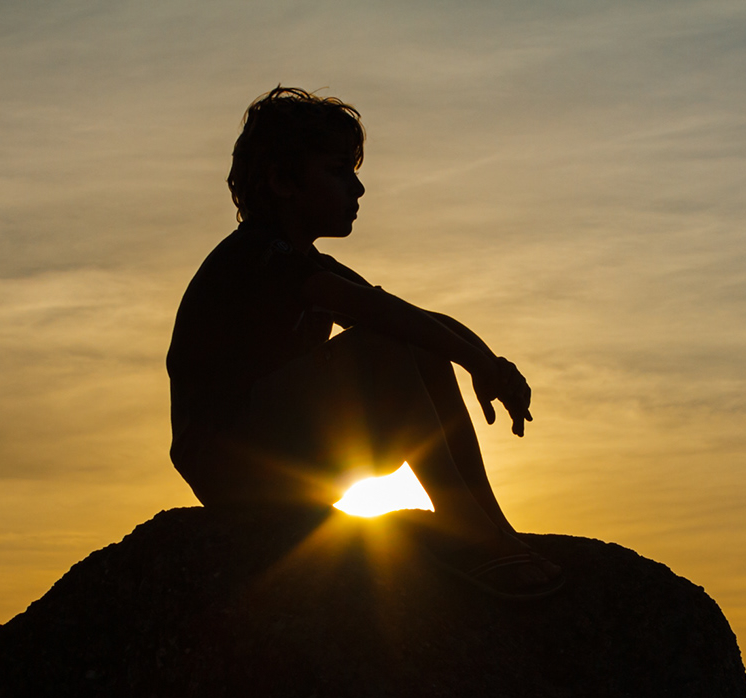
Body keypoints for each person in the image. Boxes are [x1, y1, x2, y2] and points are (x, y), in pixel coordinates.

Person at [166, 87, 563, 599]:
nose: (357, 189)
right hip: (233, 464)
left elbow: (415, 317)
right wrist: (478, 361)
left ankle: (487, 521)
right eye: (337, 172)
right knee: (386, 344)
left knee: (415, 343)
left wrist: (486, 361)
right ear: (283, 181)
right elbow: (384, 317)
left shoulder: (304, 264)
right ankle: (467, 528)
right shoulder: (258, 256)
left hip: (285, 458)